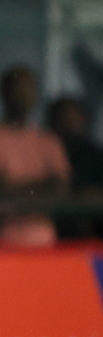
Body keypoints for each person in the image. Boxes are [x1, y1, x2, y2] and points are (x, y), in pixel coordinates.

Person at [0, 65, 69, 246]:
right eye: (17, 88)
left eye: (28, 88)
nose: (22, 95)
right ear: (3, 92)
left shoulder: (48, 140)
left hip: (44, 239)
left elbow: (61, 189)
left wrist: (16, 189)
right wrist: (41, 186)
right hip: (2, 239)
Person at [45, 96, 103, 240]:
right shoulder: (44, 152)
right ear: (52, 122)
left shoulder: (95, 155)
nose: (70, 122)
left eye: (74, 116)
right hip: (61, 228)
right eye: (62, 117)